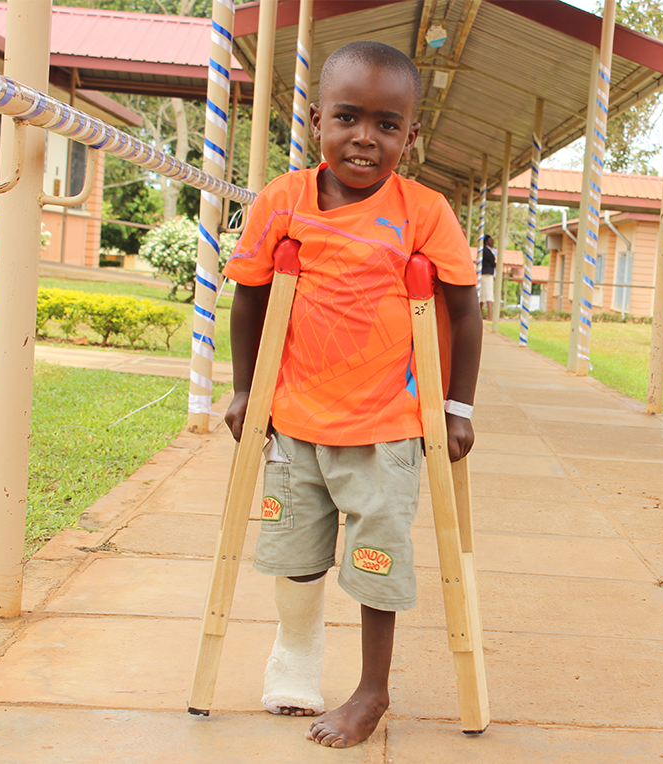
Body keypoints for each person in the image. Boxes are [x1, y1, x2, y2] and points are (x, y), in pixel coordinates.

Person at [222, 40, 482, 749]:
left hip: (387, 425)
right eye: (347, 118)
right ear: (315, 120)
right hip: (296, 415)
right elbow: (249, 295)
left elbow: (462, 309)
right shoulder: (283, 199)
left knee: (376, 556)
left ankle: (372, 691)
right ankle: (297, 655)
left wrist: (455, 407)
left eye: (387, 125)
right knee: (296, 546)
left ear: (411, 134)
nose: (365, 138)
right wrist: (248, 389)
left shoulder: (424, 211)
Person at [480, 234, 496, 318]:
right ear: (486, 242)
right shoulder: (488, 251)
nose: (493, 242)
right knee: (489, 294)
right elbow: (493, 263)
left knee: (482, 294)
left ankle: (480, 313)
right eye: (491, 240)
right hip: (488, 274)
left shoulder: (482, 250)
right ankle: (490, 315)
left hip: (482, 274)